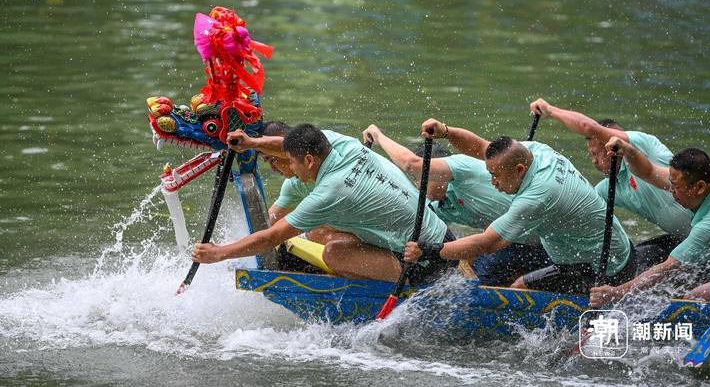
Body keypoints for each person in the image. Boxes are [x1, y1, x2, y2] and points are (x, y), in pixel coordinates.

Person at [193, 123, 455, 283]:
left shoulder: (329, 193)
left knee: (333, 254)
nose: (290, 168)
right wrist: (252, 143)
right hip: (444, 236)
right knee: (317, 232)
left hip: (423, 259)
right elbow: (286, 145)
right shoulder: (339, 142)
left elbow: (270, 238)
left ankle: (394, 280)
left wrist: (220, 253)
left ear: (308, 160)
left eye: (292, 163)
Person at [404, 118, 636, 295]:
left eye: (495, 176)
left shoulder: (536, 197)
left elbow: (487, 243)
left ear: (519, 171)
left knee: (519, 288)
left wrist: (429, 249)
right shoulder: (536, 151)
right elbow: (482, 147)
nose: (492, 182)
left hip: (604, 268)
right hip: (612, 246)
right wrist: (446, 131)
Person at [362, 124, 551, 286]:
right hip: (515, 240)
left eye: (423, 178)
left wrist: (378, 135)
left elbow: (411, 163)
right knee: (459, 260)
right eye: (416, 180)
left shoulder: (462, 168)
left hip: (546, 241)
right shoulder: (437, 206)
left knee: (467, 285)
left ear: (440, 172)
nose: (419, 185)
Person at [529, 99, 693, 270]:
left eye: (595, 153)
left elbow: (588, 126)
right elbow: (577, 215)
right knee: (638, 260)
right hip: (683, 238)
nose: (593, 161)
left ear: (611, 141)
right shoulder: (606, 188)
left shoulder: (642, 143)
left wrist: (550, 110)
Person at [590, 141, 710, 307]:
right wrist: (628, 149)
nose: (670, 190)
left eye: (675, 186)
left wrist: (616, 293)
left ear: (700, 187)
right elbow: (649, 171)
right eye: (670, 183)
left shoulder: (709, 225)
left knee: (690, 299)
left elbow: (668, 267)